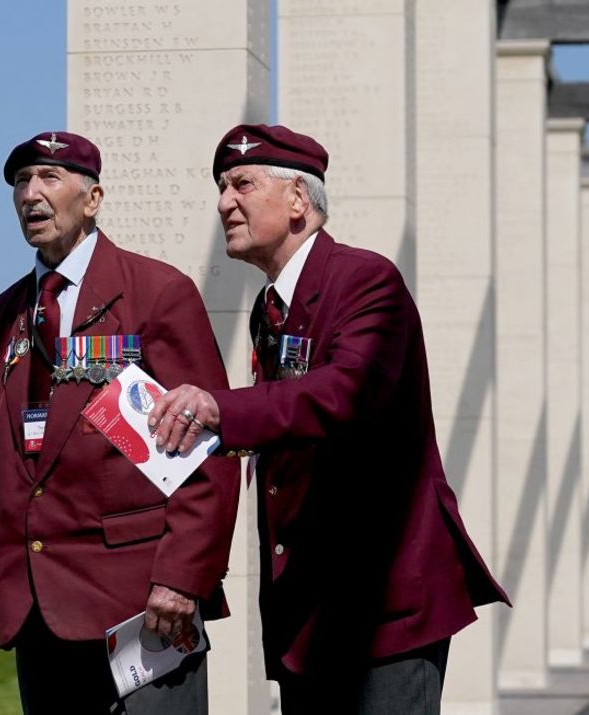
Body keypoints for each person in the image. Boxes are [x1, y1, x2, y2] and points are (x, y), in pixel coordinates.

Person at [149, 123, 510, 713]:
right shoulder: (269, 309)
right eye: (220, 187)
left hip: (385, 603)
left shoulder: (366, 280)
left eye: (242, 183)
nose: (223, 203)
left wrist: (221, 408)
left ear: (298, 200)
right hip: (309, 610)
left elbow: (344, 391)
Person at [0, 131, 240, 715]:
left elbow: (211, 454)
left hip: (144, 611)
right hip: (37, 614)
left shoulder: (156, 293)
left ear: (93, 198)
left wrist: (182, 577)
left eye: (49, 178)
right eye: (22, 181)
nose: (31, 193)